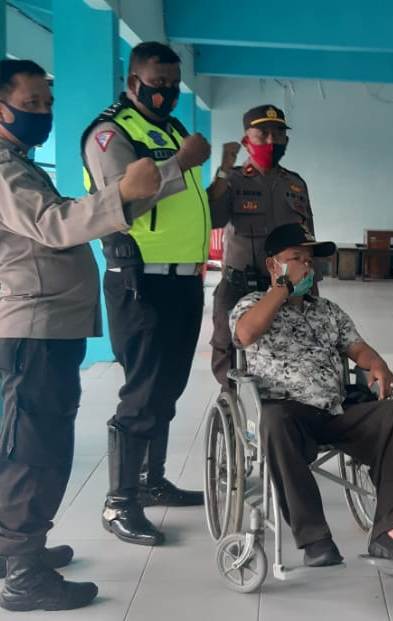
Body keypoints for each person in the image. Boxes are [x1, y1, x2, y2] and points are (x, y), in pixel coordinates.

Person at [0, 59, 161, 611]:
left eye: (47, 102)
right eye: (31, 103)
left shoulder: (19, 164)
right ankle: (23, 574)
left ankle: (14, 552)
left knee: (30, 442)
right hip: (33, 328)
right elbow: (55, 224)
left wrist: (136, 192)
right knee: (35, 450)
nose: (43, 113)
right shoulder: (4, 171)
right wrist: (122, 191)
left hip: (45, 325)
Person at [230, 223, 393, 567]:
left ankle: (391, 533)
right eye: (295, 258)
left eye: (308, 260)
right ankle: (315, 540)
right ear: (272, 265)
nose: (305, 266)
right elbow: (247, 333)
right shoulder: (250, 305)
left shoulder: (327, 311)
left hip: (334, 411)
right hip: (287, 416)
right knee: (274, 419)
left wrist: (377, 364)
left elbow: (358, 348)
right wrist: (283, 288)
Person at [81, 41, 212, 546]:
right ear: (133, 81)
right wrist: (181, 162)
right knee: (142, 393)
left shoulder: (170, 127)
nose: (168, 93)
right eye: (158, 85)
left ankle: (150, 481)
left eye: (174, 85)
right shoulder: (112, 133)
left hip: (182, 279)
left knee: (167, 388)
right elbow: (120, 204)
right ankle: (120, 502)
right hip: (141, 280)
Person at [209, 104, 316, 391]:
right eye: (263, 133)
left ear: (286, 140)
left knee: (289, 348)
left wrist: (312, 287)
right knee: (228, 352)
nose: (271, 140)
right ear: (247, 139)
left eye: (278, 134)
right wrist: (222, 170)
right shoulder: (232, 179)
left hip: (287, 287)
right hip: (238, 285)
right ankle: (233, 401)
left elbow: (308, 239)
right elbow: (213, 218)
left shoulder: (295, 184)